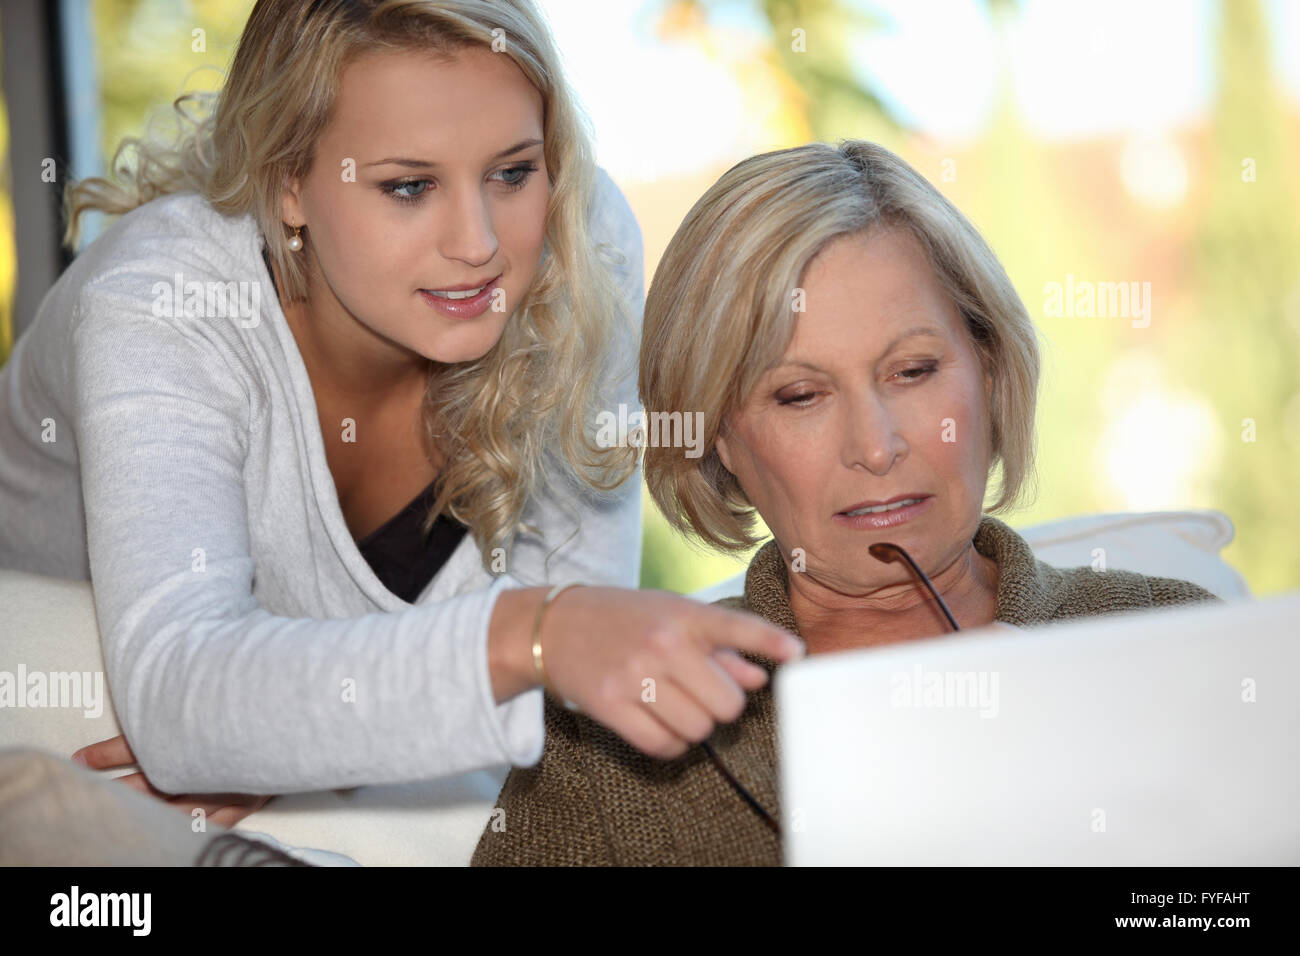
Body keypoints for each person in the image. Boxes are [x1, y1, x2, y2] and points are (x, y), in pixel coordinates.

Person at [0, 0, 799, 840]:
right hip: (58, 743)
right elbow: (177, 700)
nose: (479, 241)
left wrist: (283, 733)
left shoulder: (578, 242)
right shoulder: (163, 301)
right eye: (408, 186)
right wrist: (530, 635)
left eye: (513, 172)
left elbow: (577, 672)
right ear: (289, 184)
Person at [471, 139, 1222, 866]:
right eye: (800, 395)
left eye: (914, 370)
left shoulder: (1176, 634)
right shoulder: (609, 739)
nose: (875, 444)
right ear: (716, 436)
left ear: (989, 374)